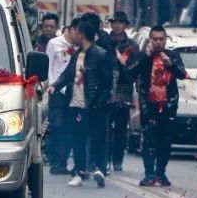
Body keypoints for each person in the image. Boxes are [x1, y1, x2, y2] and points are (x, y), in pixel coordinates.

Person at [52, 19, 114, 188]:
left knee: (97, 139)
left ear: (82, 34)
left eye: (77, 32)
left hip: (94, 106)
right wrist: (55, 86)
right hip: (76, 105)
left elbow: (107, 83)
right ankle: (80, 172)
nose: (74, 34)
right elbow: (67, 75)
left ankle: (99, 169)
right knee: (77, 138)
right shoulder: (76, 54)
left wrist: (99, 102)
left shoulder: (100, 54)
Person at [126, 25, 187, 188]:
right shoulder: (141, 55)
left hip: (168, 103)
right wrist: (145, 57)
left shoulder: (173, 55)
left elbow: (182, 74)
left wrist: (170, 65)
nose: (158, 42)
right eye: (155, 39)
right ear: (150, 40)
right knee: (149, 139)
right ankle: (149, 173)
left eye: (161, 39)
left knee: (165, 140)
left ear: (165, 40)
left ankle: (161, 171)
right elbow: (130, 72)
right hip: (149, 104)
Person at [100, 11, 138, 173]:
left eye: (120, 23)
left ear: (125, 26)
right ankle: (105, 159)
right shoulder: (104, 41)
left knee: (121, 128)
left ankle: (117, 160)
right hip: (106, 89)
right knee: (105, 127)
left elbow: (133, 67)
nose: (117, 25)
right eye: (115, 22)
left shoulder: (132, 46)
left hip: (124, 89)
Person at [45, 19, 78, 175]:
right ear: (71, 29)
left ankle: (62, 162)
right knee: (56, 126)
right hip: (57, 90)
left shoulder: (79, 47)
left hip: (73, 92)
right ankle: (54, 159)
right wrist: (52, 85)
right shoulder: (54, 43)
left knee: (68, 129)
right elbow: (49, 66)